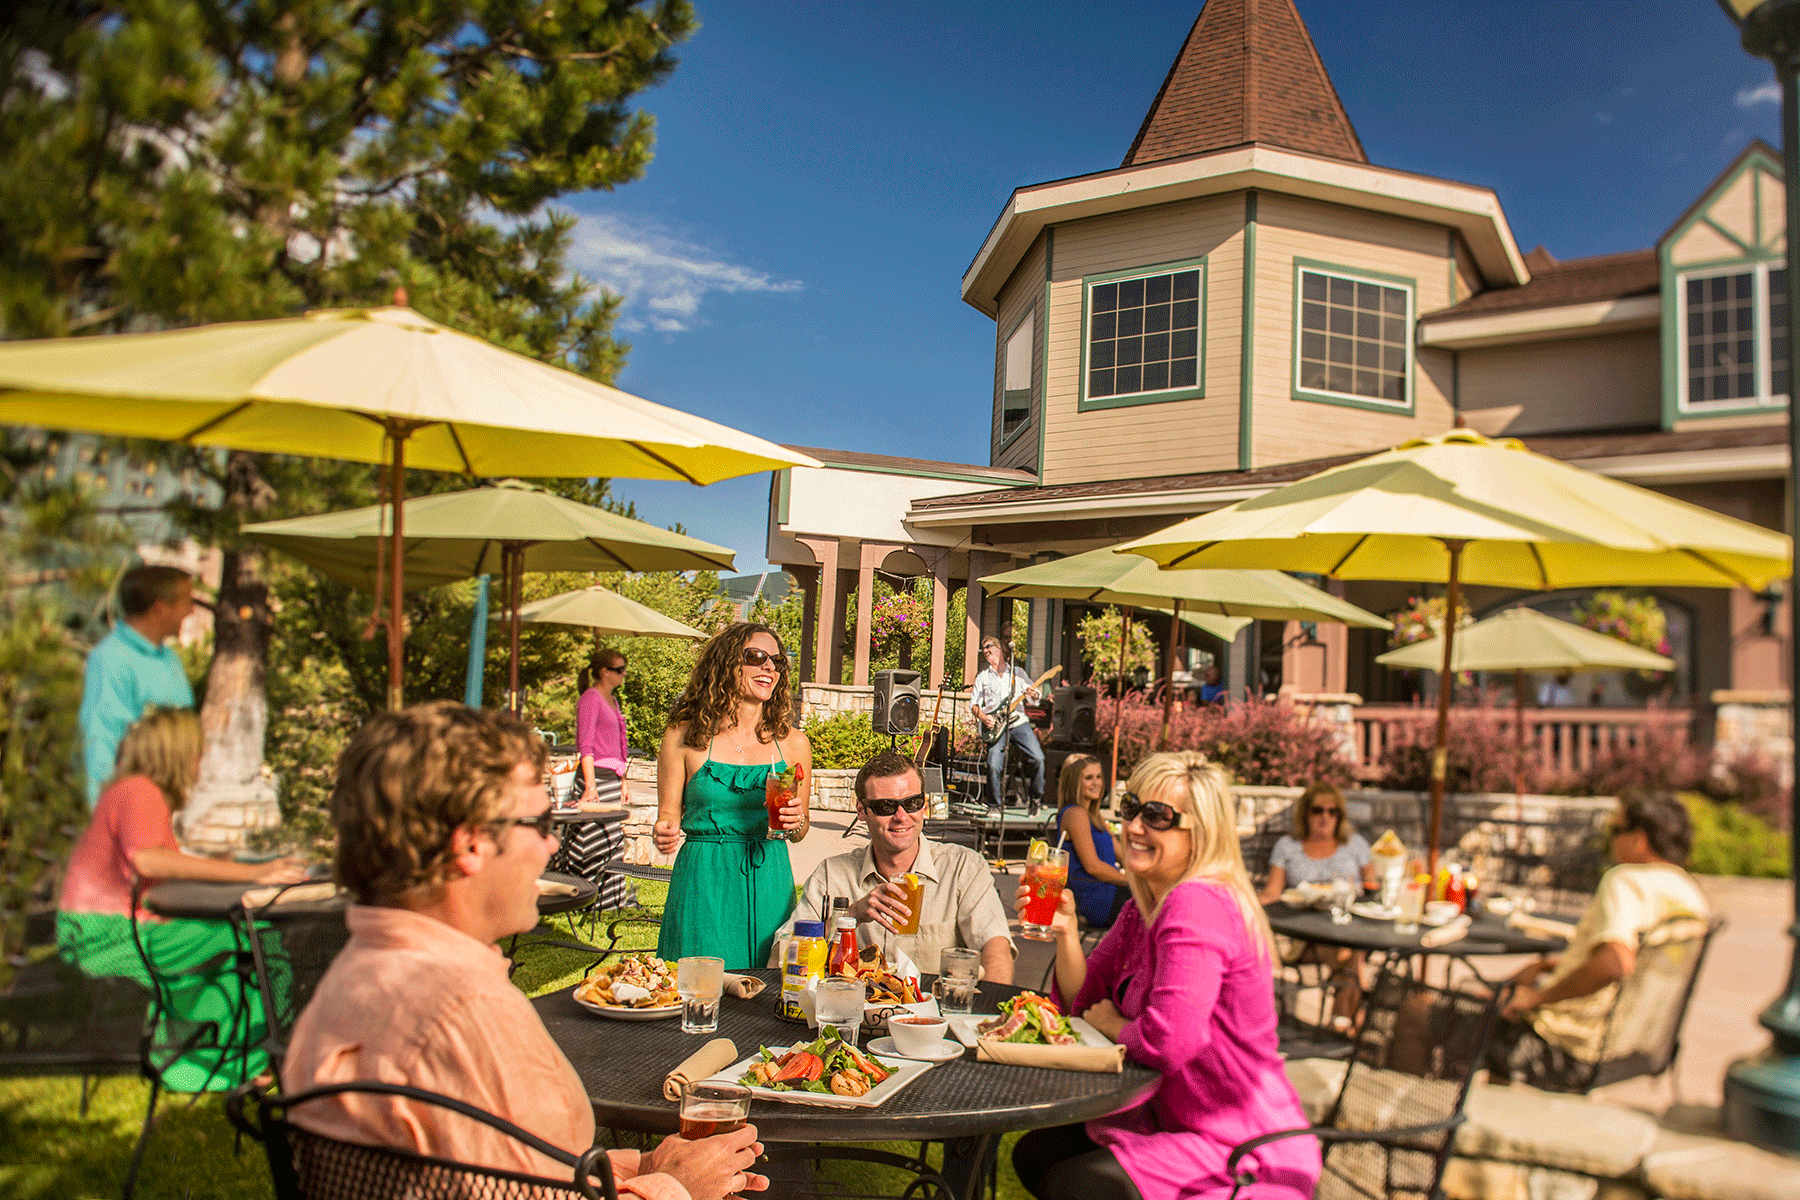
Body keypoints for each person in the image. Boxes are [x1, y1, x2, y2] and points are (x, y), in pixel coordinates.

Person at [285, 702, 763, 1199]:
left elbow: (509, 1172)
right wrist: (677, 1187)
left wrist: (645, 1164)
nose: (551, 848)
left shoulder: (358, 978)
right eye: (540, 824)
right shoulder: (461, 1012)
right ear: (469, 845)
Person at [1013, 752, 1319, 1200]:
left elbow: (1169, 1040)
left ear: (1200, 831)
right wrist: (1067, 933)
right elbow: (1083, 1004)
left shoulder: (1196, 902)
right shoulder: (1144, 907)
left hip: (1242, 1145)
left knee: (1075, 1184)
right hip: (1180, 1121)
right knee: (1039, 1154)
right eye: (1132, 808)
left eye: (1158, 816)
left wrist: (1114, 1026)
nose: (1135, 826)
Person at [58, 707, 307, 1090]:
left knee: (237, 940)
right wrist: (254, 874)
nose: (201, 761)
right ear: (176, 752)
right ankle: (251, 1060)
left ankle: (226, 1060)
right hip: (108, 937)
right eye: (196, 751)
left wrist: (243, 874)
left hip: (98, 933)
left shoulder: (131, 792)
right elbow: (149, 859)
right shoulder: (141, 791)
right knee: (257, 941)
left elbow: (163, 870)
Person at [1486, 792, 1709, 1089]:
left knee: (1425, 1010)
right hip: (1631, 1047)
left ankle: (1424, 1131)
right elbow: (1640, 965)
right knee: (1499, 997)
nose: (1612, 841)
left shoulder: (1626, 880)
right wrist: (1552, 966)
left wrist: (1537, 998)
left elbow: (1615, 963)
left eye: (1616, 831)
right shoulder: (1691, 895)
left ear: (1638, 840)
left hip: (1568, 1051)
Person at [654, 623, 810, 970]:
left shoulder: (794, 743)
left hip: (768, 873)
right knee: (696, 985)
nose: (769, 667)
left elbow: (799, 832)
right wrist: (664, 831)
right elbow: (667, 815)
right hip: (704, 877)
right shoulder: (684, 734)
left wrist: (795, 819)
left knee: (768, 988)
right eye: (756, 657)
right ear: (726, 663)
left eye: (777, 661)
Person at [798, 751, 1014, 982]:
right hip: (852, 1012)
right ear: (861, 810)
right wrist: (851, 917)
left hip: (935, 1014)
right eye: (886, 807)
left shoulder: (963, 868)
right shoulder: (831, 875)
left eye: (912, 803)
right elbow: (784, 955)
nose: (901, 816)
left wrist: (990, 1008)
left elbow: (997, 953)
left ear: (924, 805)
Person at [1257, 783, 1374, 1028]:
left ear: (1340, 816)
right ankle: (1347, 1021)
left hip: (1346, 925)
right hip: (1303, 934)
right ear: (1305, 814)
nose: (1325, 817)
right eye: (1317, 810)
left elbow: (1372, 888)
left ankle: (1344, 1019)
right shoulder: (1288, 846)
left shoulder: (1355, 844)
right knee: (1349, 955)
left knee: (1348, 949)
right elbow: (1272, 893)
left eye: (1333, 812)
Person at [79, 565, 196, 807]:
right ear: (160, 609)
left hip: (168, 806)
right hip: (132, 808)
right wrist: (103, 820)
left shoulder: (169, 659)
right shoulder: (112, 659)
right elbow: (101, 743)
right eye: (186, 602)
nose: (192, 610)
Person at [969, 635, 1045, 813]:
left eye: (988, 646)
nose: (986, 651)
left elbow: (1034, 698)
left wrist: (1033, 695)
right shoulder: (982, 678)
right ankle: (994, 806)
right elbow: (974, 705)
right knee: (994, 764)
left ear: (1000, 649)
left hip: (1018, 722)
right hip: (995, 726)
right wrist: (984, 717)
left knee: (1038, 758)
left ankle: (1035, 800)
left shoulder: (1017, 673)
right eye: (983, 649)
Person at [1058, 754, 1129, 928]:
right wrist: (1132, 882)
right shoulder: (1075, 814)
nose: (1097, 782)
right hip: (1099, 900)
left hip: (1112, 891)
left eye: (1098, 777)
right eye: (1089, 778)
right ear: (1075, 782)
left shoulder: (1095, 816)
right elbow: (1093, 866)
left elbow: (1124, 857)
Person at [576, 647, 631, 807]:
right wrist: (590, 786)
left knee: (612, 830)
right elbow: (585, 745)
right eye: (619, 669)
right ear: (604, 672)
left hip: (612, 777)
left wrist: (623, 781)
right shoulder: (591, 698)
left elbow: (616, 748)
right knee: (594, 830)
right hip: (596, 776)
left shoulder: (612, 700)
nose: (624, 673)